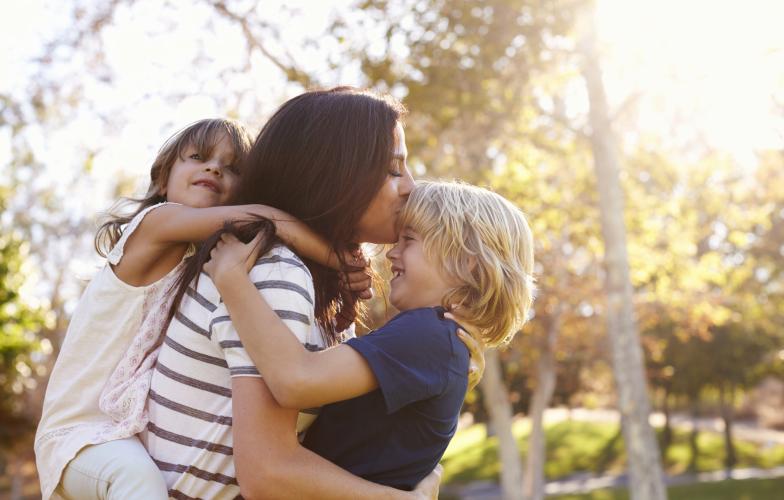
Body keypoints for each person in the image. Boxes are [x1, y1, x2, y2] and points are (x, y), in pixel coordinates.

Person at [143, 88, 481, 499]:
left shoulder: (314, 281)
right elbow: (268, 473)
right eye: (394, 170)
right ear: (336, 174)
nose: (411, 186)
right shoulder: (273, 272)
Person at [34, 118, 360, 500]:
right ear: (161, 179)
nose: (214, 168)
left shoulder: (205, 260)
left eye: (233, 167)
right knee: (140, 482)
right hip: (81, 433)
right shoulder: (154, 224)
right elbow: (263, 219)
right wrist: (339, 262)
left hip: (128, 431)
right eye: (198, 157)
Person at [206, 180, 535, 490]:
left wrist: (232, 279)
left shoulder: (428, 334)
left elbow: (296, 379)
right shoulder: (440, 341)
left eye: (409, 239)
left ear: (468, 265)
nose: (392, 253)